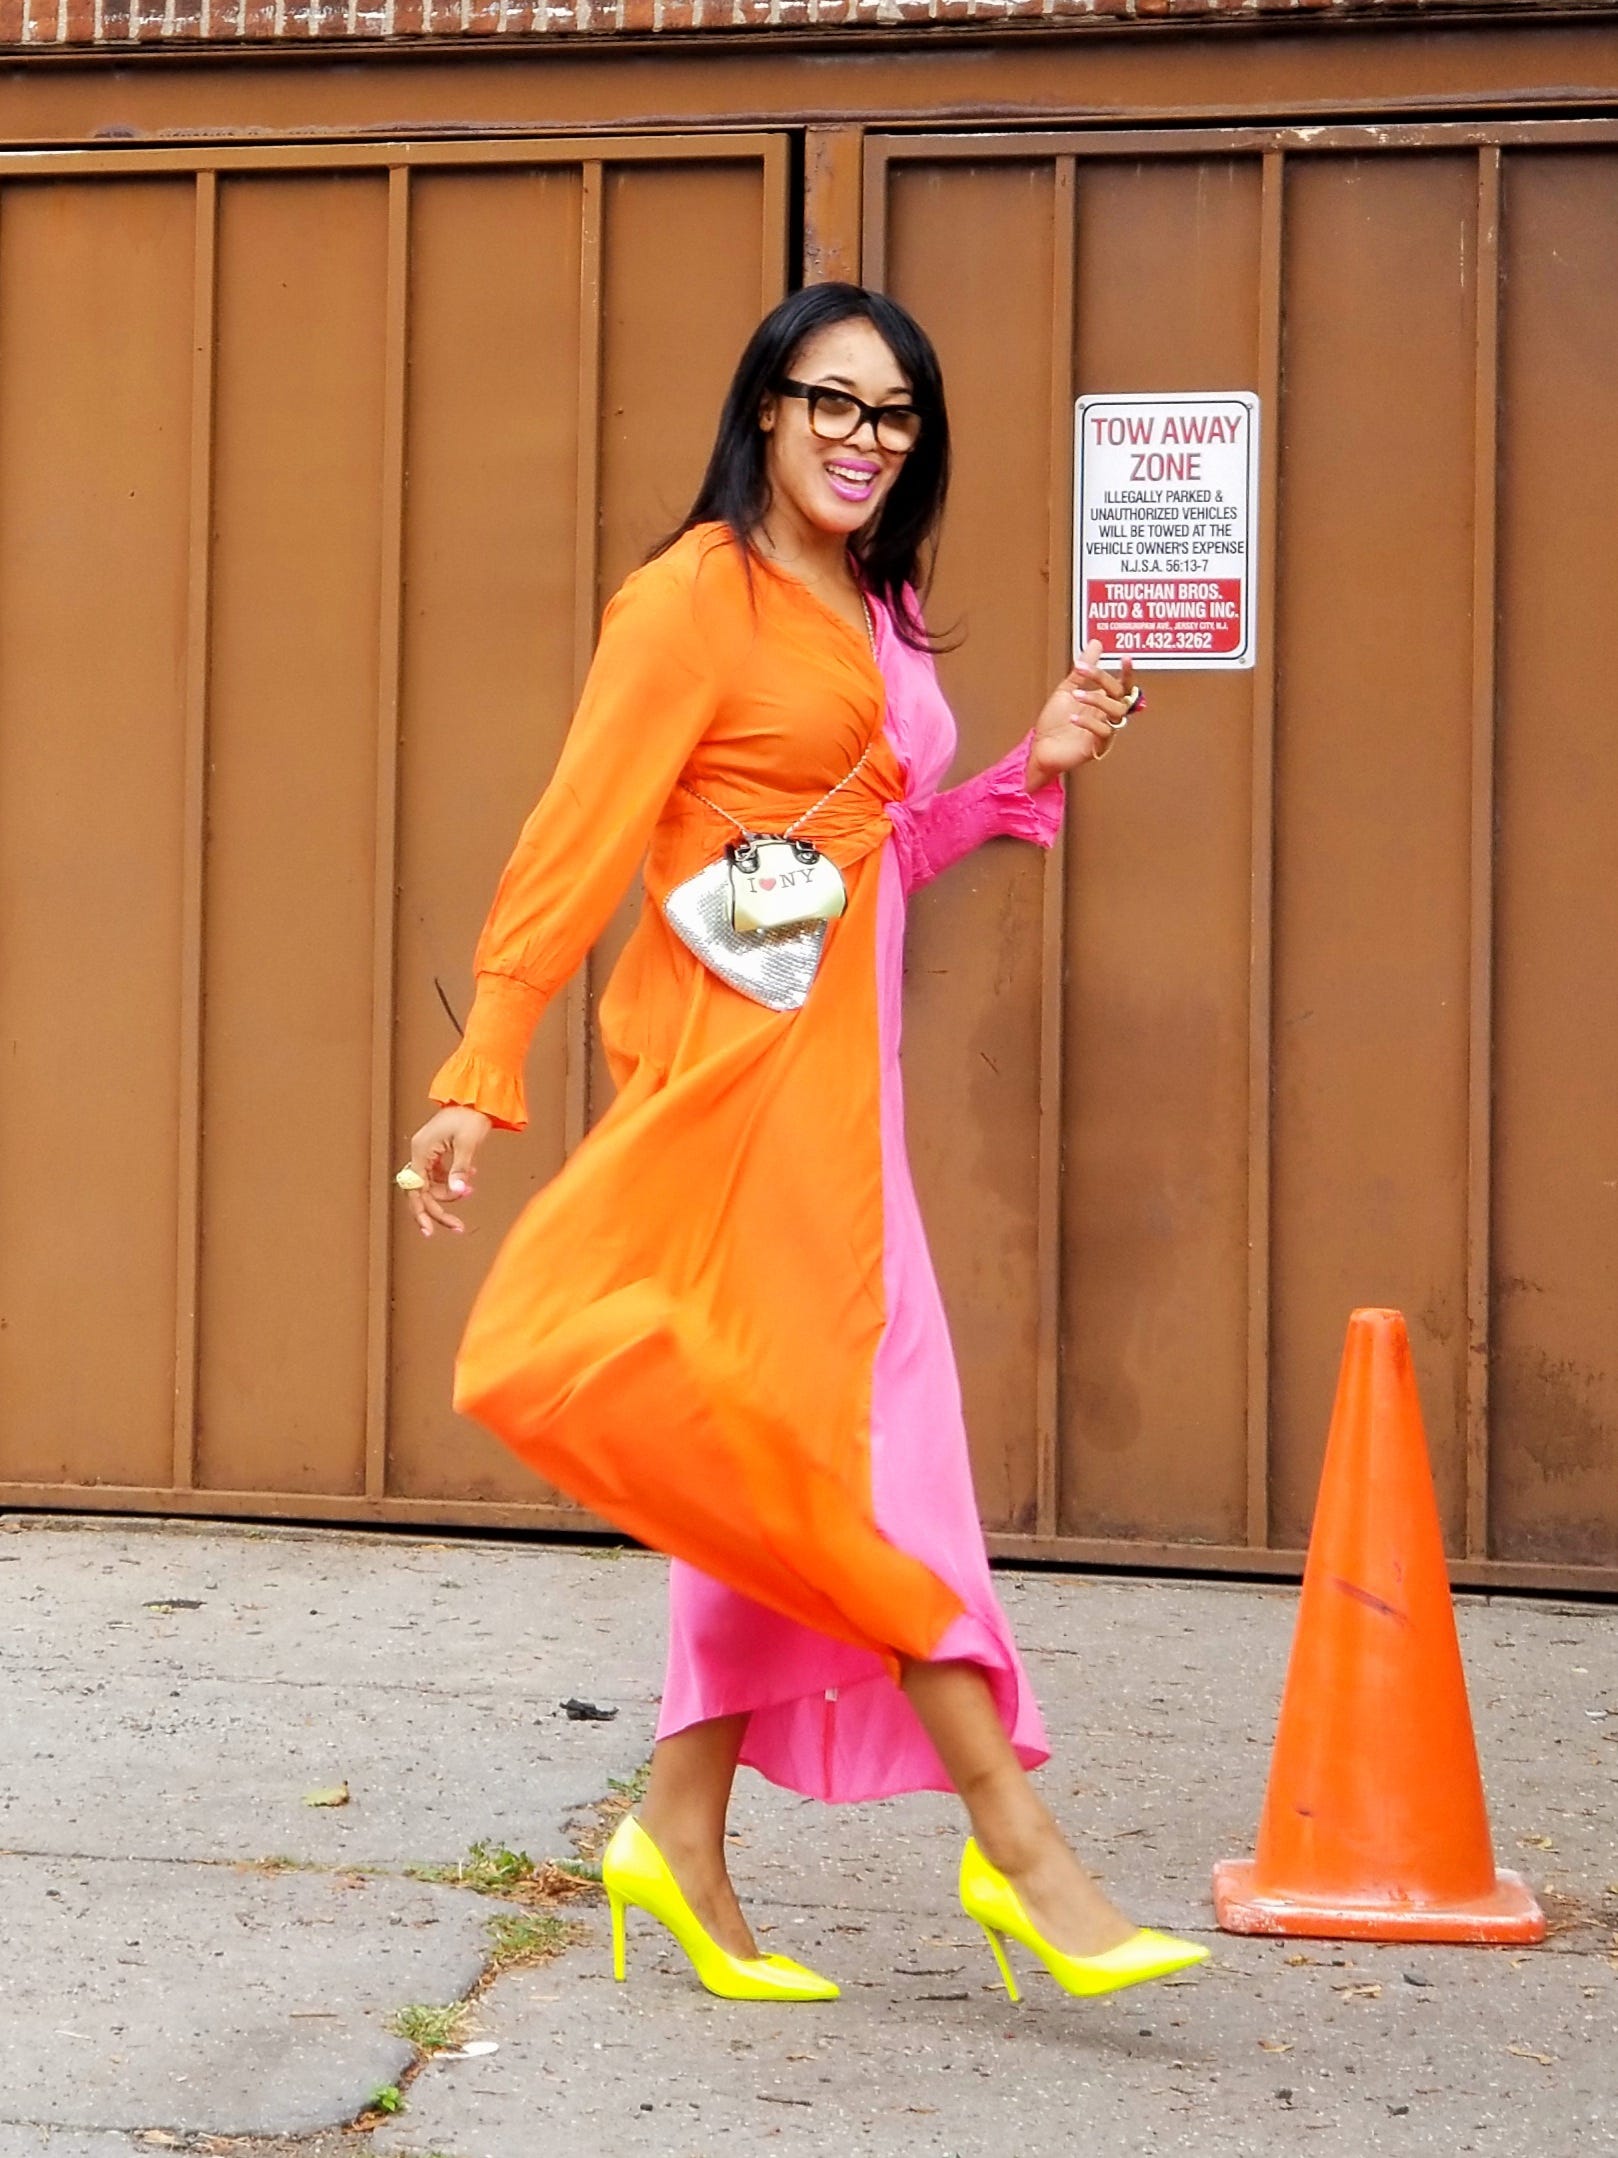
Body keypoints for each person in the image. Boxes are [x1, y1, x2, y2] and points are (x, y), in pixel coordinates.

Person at [398, 283, 1206, 2006]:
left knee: (784, 1455)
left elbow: (855, 863)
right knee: (876, 1447)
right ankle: (1019, 1845)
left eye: (894, 414)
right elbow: (580, 834)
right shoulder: (692, 597)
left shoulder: (880, 598)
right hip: (729, 1090)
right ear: (763, 406)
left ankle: (672, 1830)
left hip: (841, 1090)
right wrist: (485, 1059)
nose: (861, 438)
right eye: (830, 402)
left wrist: (1019, 771)